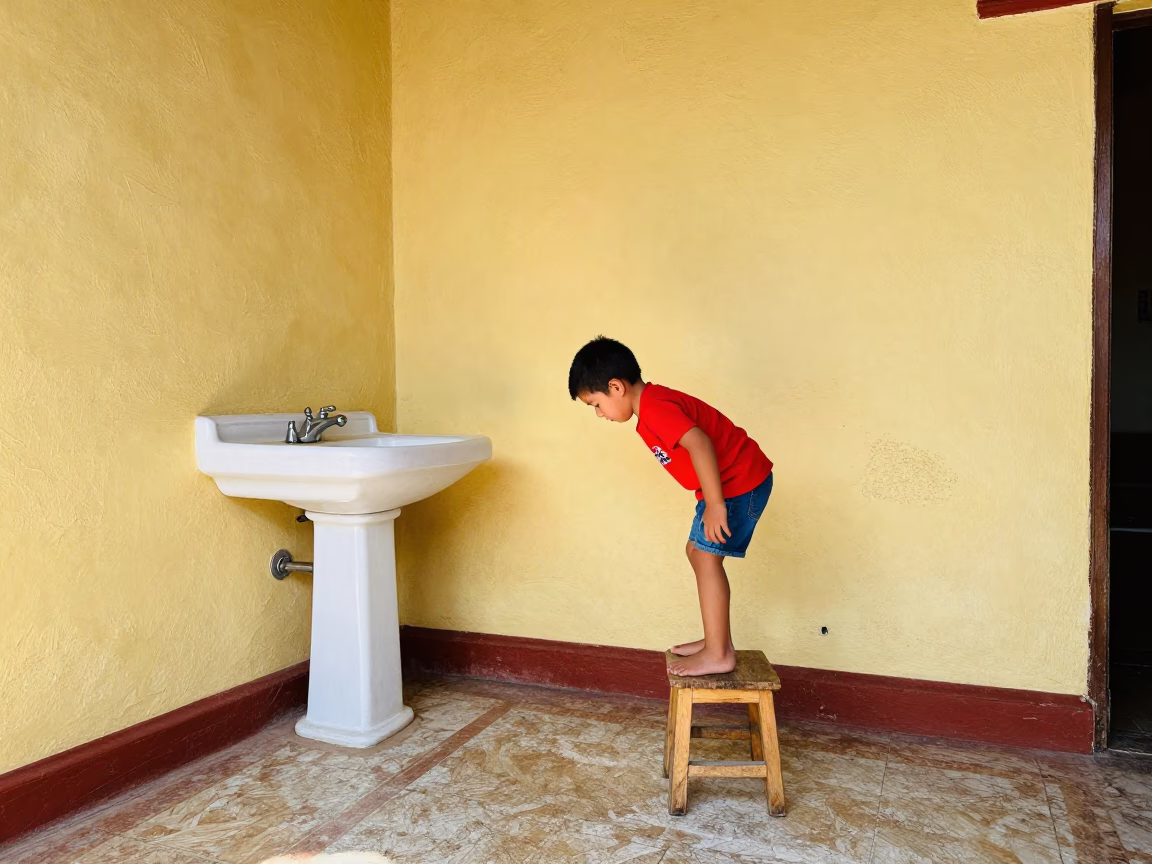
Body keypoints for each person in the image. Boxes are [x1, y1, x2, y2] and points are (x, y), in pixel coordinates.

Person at [568, 337, 774, 676]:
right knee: (696, 552)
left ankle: (719, 654)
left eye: (596, 404)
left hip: (740, 484)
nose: (599, 414)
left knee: (706, 558)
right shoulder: (650, 409)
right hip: (723, 486)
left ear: (616, 387)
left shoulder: (656, 408)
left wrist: (716, 505)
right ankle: (716, 641)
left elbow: (700, 444)